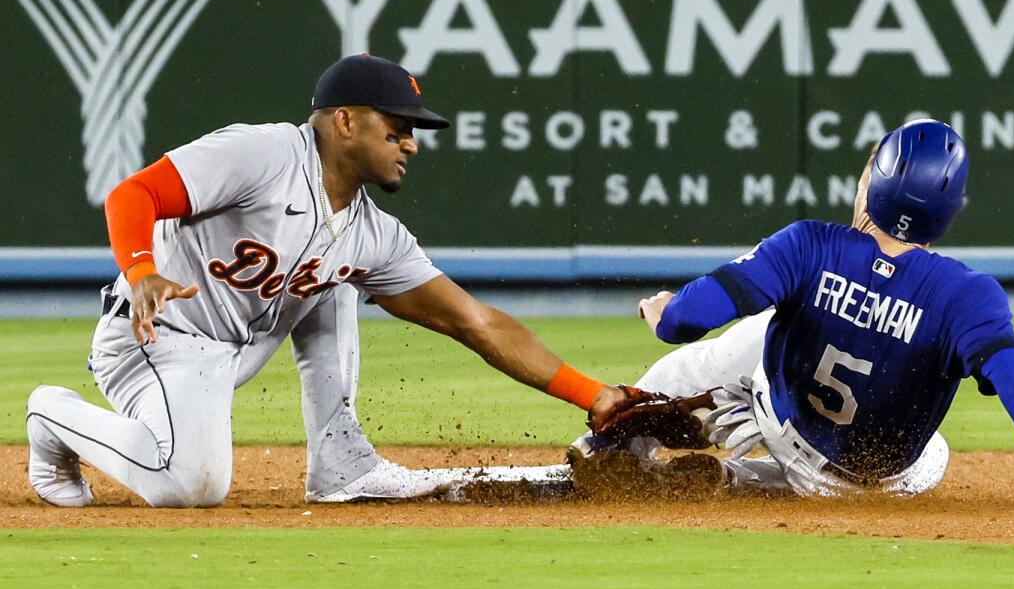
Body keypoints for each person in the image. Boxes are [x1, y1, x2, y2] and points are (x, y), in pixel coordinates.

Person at [25, 54, 626, 508]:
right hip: (157, 337)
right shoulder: (263, 155)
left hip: (235, 348)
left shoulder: (372, 232)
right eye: (397, 128)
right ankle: (52, 417)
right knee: (191, 485)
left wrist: (594, 395)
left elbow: (474, 320)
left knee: (337, 271)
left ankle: (342, 461)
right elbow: (134, 193)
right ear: (345, 121)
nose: (411, 144)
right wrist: (141, 270)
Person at [575, 119, 1014, 510]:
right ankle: (736, 480)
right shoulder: (968, 294)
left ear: (872, 183)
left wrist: (663, 313)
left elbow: (691, 318)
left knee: (750, 338)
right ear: (951, 210)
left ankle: (610, 444)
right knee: (931, 449)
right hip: (889, 481)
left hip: (786, 423)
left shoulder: (809, 245)